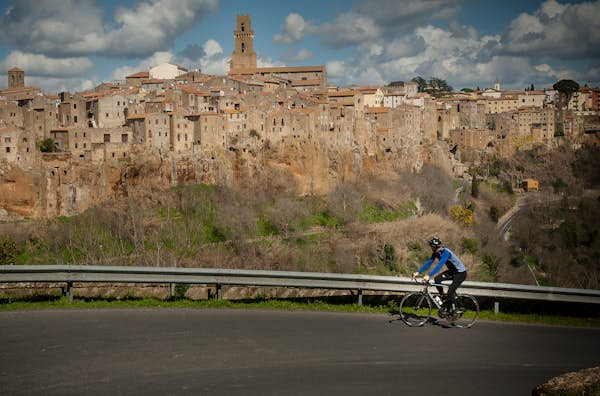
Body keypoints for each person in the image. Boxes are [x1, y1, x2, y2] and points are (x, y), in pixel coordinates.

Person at [411, 236, 467, 315]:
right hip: (452, 271)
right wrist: (418, 272)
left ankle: (455, 309)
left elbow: (439, 265)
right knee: (437, 279)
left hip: (460, 273)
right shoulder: (436, 253)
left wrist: (429, 275)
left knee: (450, 291)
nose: (431, 248)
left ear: (435, 246)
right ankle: (443, 297)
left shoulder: (446, 252)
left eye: (432, 246)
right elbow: (429, 263)